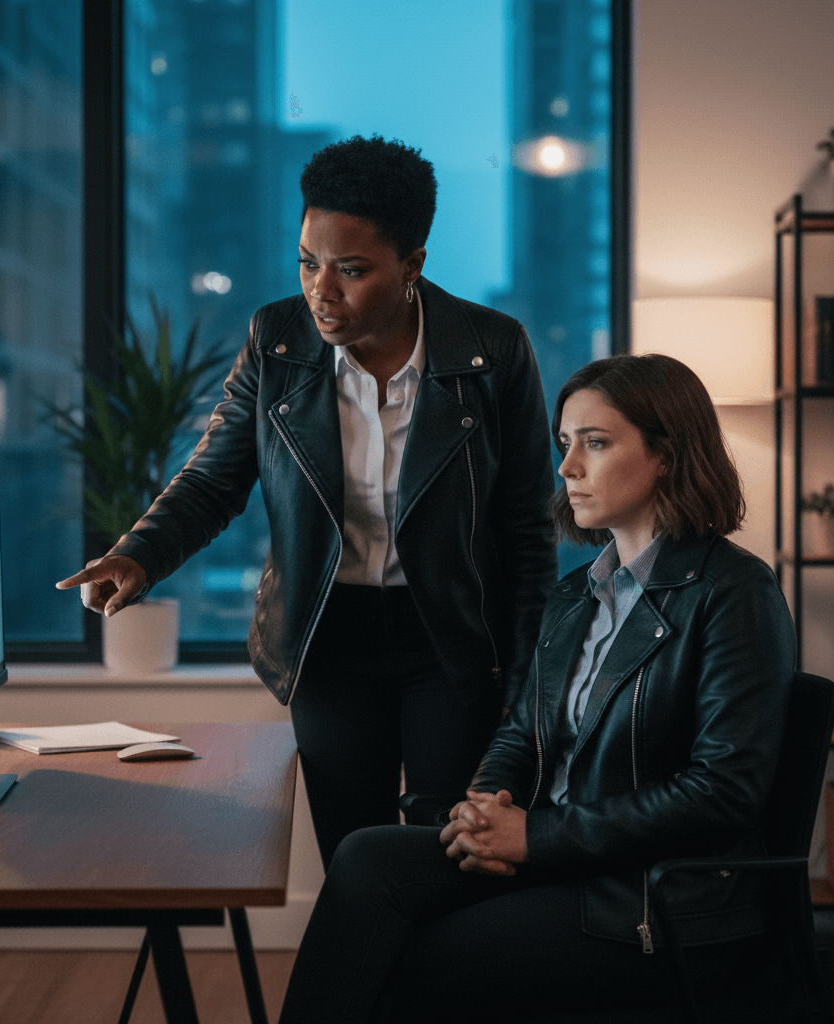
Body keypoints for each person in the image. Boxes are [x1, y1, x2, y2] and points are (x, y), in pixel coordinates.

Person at [56, 134, 557, 868]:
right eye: (308, 261)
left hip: (450, 640)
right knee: (353, 855)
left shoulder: (493, 349)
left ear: (413, 265)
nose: (321, 290)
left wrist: (526, 679)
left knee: (449, 856)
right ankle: (372, 985)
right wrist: (138, 554)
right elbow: (214, 478)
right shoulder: (276, 340)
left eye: (351, 270)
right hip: (329, 639)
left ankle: (439, 985)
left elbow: (526, 530)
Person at [276, 353, 797, 1023]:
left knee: (426, 954)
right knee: (366, 856)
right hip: (562, 861)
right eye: (565, 443)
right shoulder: (577, 596)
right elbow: (521, 733)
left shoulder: (733, 593)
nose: (568, 466)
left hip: (652, 899)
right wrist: (484, 810)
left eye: (596, 443)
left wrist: (538, 837)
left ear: (667, 454)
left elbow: (722, 793)